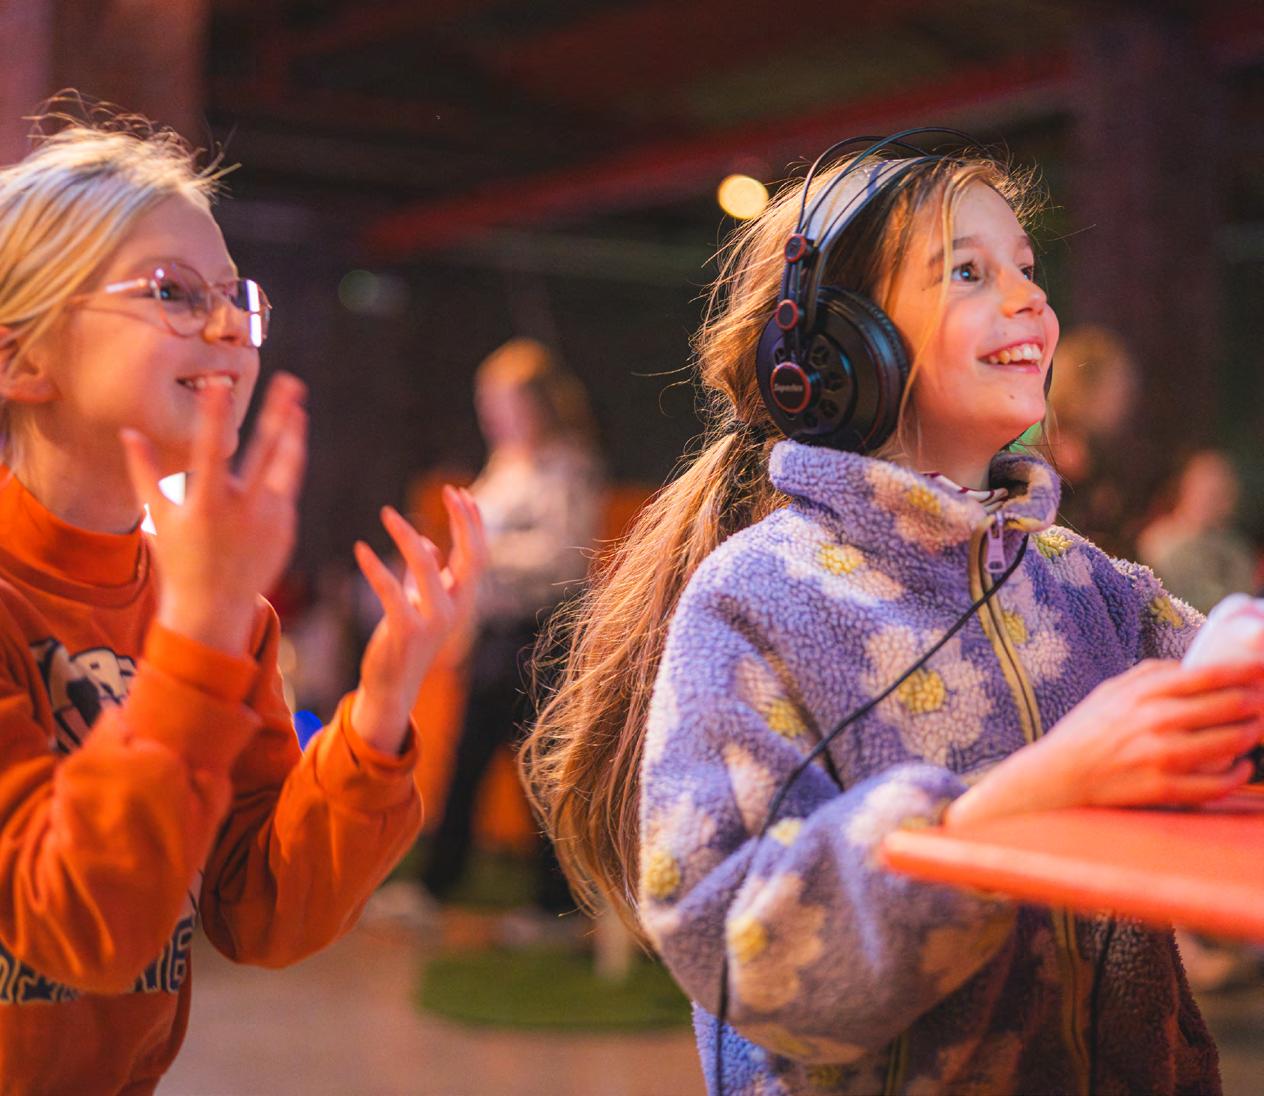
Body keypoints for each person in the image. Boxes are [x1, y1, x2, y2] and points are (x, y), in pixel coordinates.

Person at [520, 141, 1264, 1093]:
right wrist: (1012, 806)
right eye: (969, 272)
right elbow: (736, 947)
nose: (1031, 298)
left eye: (1027, 267)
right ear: (843, 346)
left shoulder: (1087, 587)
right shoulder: (760, 599)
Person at [0, 106, 485, 1091]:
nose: (228, 327)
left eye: (235, 297)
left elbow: (261, 909)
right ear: (23, 360)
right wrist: (196, 634)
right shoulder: (190, 614)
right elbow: (76, 925)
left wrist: (381, 708)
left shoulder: (216, 612)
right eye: (173, 292)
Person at [419, 338, 602, 928]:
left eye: (503, 401)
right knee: (467, 762)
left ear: (538, 403)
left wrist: (486, 554)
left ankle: (559, 907)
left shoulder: (567, 466)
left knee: (539, 768)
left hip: (540, 635)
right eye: (486, 402)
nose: (492, 414)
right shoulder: (503, 464)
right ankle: (436, 888)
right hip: (493, 637)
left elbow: (565, 555)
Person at [1138, 449, 1258, 615]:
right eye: (1209, 491)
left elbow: (1245, 609)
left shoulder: (1236, 551)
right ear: (1186, 487)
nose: (1217, 501)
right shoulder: (1156, 544)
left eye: (1223, 492)